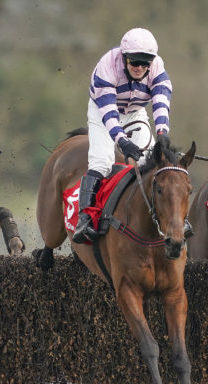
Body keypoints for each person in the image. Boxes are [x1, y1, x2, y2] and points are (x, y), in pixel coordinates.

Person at [72, 27, 173, 244]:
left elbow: (161, 101)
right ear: (124, 57)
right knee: (102, 161)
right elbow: (109, 114)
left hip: (135, 111)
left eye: (145, 63)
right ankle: (85, 219)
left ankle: (164, 219)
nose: (139, 67)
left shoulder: (157, 67)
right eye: (134, 62)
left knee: (152, 160)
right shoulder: (107, 66)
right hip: (103, 111)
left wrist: (163, 133)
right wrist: (123, 141)